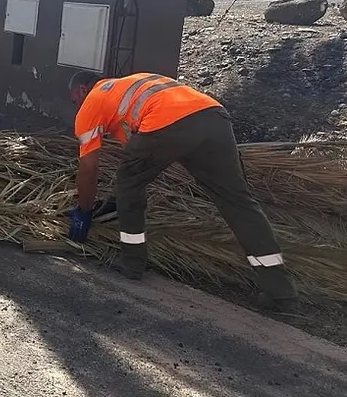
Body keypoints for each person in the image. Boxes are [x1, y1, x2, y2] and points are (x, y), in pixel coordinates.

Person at [65, 71, 298, 312]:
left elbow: (89, 169)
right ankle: (279, 291)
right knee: (237, 202)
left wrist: (84, 211)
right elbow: (141, 161)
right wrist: (116, 200)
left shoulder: (93, 101)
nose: (77, 106)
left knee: (128, 186)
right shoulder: (131, 87)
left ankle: (132, 262)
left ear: (83, 90)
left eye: (74, 100)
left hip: (169, 122)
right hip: (215, 116)